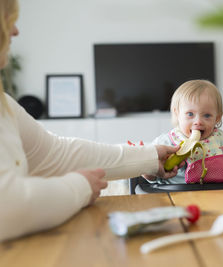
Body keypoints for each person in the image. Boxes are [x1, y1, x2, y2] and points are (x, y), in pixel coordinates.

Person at [0, 0, 181, 242]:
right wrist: (80, 187)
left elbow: (55, 154)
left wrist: (149, 157)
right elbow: (8, 206)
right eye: (9, 20)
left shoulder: (5, 105)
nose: (15, 31)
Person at [142, 80, 223, 188]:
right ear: (177, 114)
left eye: (207, 115)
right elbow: (153, 176)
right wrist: (147, 172)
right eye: (190, 114)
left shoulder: (222, 140)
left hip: (222, 194)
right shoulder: (166, 143)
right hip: (176, 196)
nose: (198, 121)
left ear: (217, 118)